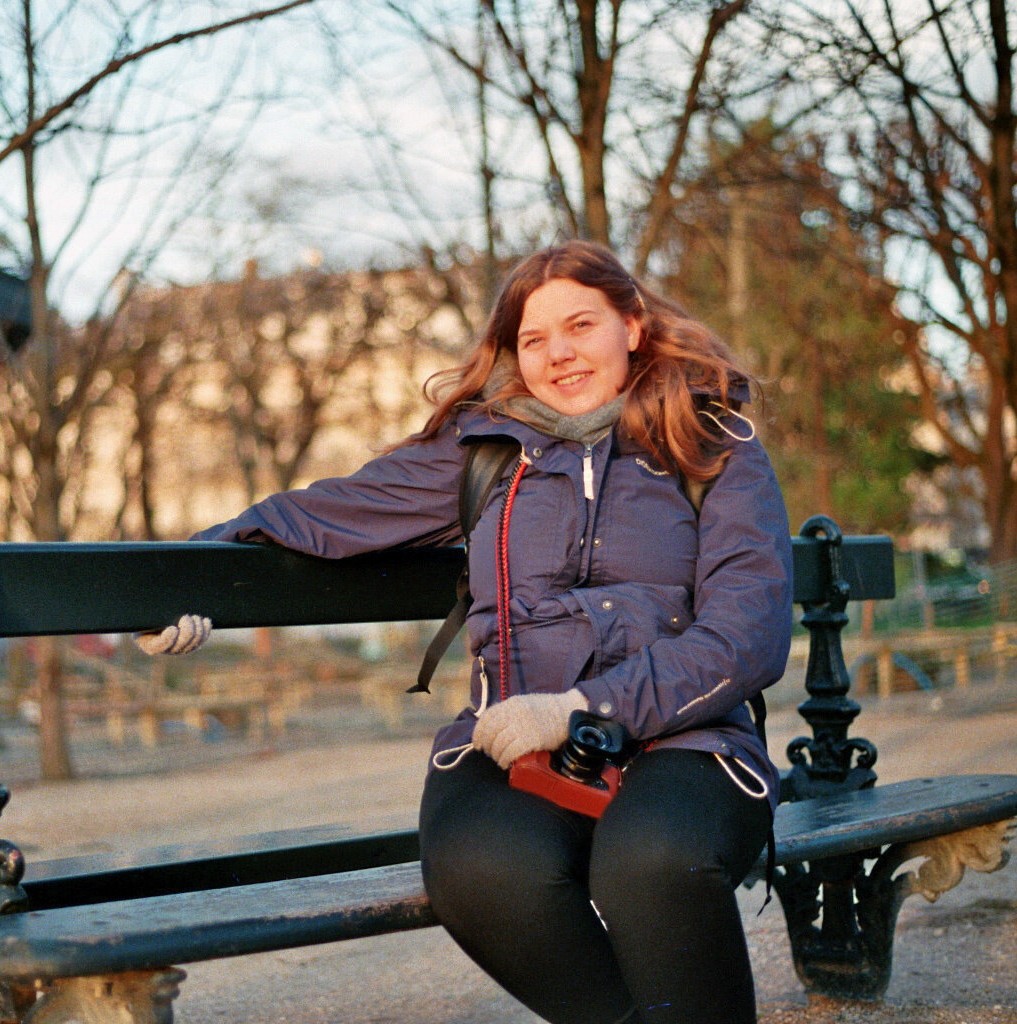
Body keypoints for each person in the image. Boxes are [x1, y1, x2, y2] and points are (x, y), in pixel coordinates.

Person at [135, 242, 794, 1024]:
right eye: (534, 339)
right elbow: (324, 512)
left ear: (633, 326)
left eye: (580, 325)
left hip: (685, 737)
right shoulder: (483, 451)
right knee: (486, 870)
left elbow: (749, 632)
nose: (558, 353)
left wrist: (582, 708)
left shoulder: (711, 443)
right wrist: (188, 578)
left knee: (652, 859)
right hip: (512, 736)